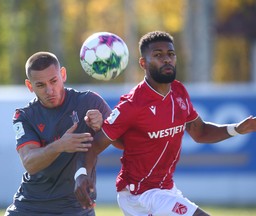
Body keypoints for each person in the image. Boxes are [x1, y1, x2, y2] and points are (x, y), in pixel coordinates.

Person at [74, 31, 256, 216]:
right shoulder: (132, 104)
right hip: (139, 194)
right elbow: (95, 145)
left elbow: (200, 132)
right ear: (143, 63)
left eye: (170, 54)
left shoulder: (179, 91)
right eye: (158, 55)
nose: (167, 59)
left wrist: (237, 129)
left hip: (166, 189)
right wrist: (81, 175)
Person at [4, 51, 112, 216]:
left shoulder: (91, 101)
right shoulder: (24, 115)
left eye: (53, 81)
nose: (49, 90)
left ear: (63, 74)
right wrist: (60, 145)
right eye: (40, 85)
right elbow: (30, 163)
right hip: (30, 206)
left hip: (76, 207)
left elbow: (121, 140)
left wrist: (103, 126)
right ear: (30, 86)